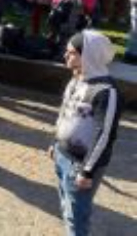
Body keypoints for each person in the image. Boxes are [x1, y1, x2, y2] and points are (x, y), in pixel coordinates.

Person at [51, 31, 122, 236]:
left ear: (88, 55)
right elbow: (65, 114)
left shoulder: (106, 91)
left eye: (71, 53)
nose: (65, 56)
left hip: (80, 166)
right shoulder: (77, 79)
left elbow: (104, 133)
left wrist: (87, 171)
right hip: (62, 155)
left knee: (76, 218)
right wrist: (55, 143)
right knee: (66, 207)